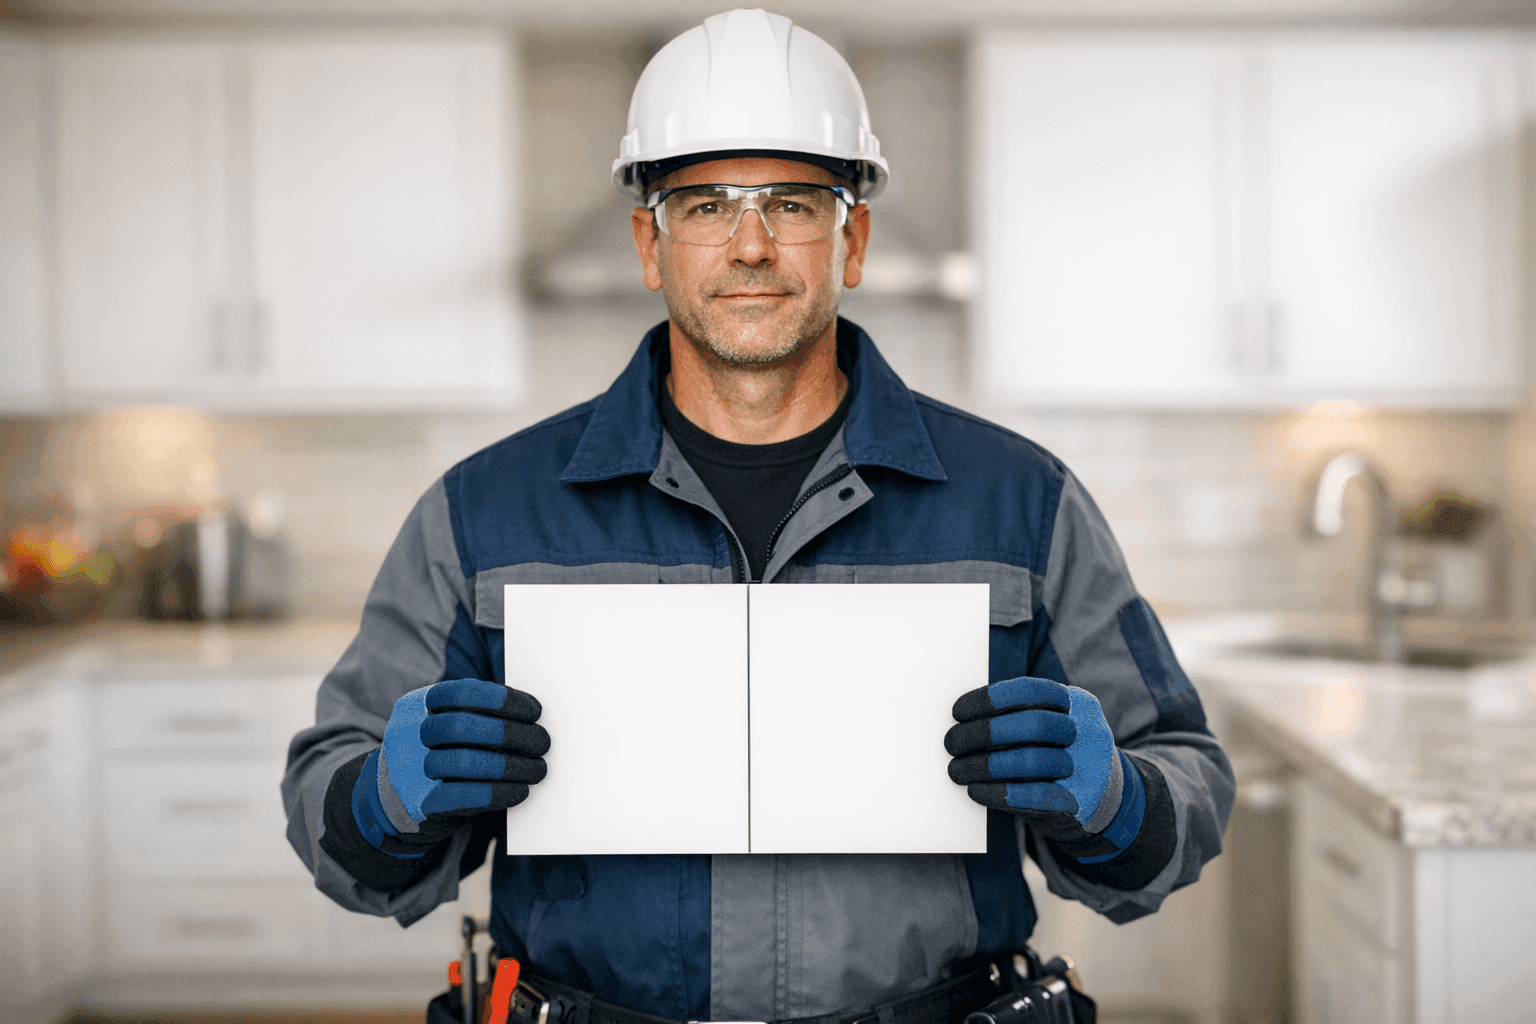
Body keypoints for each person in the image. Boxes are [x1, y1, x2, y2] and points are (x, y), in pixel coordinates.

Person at [281, 9, 1234, 1023]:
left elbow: (1184, 794)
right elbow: (335, 825)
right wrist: (383, 795)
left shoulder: (1024, 501)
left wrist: (1115, 797)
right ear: (651, 243)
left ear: (851, 238)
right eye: (703, 206)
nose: (748, 246)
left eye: (791, 202)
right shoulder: (482, 513)